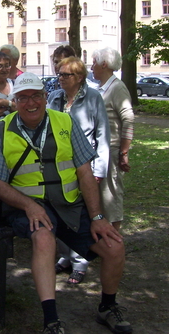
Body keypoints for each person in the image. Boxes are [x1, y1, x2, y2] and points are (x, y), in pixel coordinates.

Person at [0, 72, 131, 334]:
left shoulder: (65, 122)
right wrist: (29, 205)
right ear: (15, 101)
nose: (31, 103)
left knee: (114, 245)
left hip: (69, 206)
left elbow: (85, 171)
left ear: (44, 97)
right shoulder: (2, 129)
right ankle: (51, 320)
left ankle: (107, 307)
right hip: (25, 207)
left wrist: (97, 217)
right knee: (44, 238)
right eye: (24, 98)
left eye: (36, 96)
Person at [47, 57, 111, 285]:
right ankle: (66, 255)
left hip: (86, 166)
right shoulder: (54, 97)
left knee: (79, 215)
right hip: (59, 166)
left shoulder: (93, 97)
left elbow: (102, 135)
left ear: (80, 77)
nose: (61, 78)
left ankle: (80, 261)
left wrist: (99, 170)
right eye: (59, 74)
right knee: (59, 212)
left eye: (66, 75)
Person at [91, 48, 134, 231]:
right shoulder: (103, 88)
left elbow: (128, 119)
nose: (91, 67)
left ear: (104, 64)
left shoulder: (117, 88)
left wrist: (124, 152)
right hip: (101, 149)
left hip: (112, 150)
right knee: (100, 197)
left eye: (94, 62)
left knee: (111, 195)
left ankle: (115, 239)